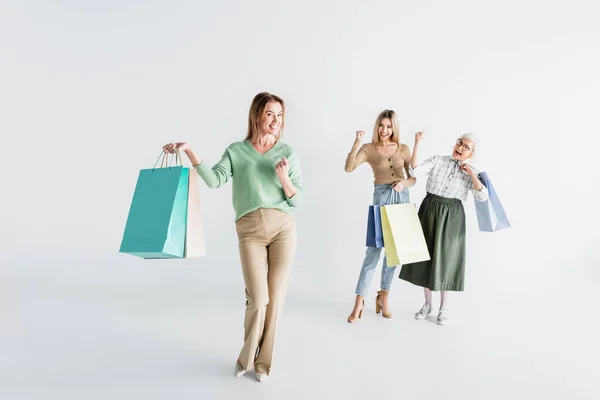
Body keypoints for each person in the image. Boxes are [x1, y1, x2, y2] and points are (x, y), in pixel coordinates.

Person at [162, 92, 304, 382]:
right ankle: (246, 357)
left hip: (283, 230)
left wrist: (284, 178)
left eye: (279, 115)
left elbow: (297, 200)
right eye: (270, 114)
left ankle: (263, 364)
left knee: (275, 298)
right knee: (258, 298)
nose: (276, 121)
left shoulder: (288, 152)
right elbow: (214, 179)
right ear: (256, 116)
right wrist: (189, 150)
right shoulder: (237, 151)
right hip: (250, 231)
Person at [399, 132, 488, 325]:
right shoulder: (438, 160)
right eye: (460, 143)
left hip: (452, 215)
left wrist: (471, 173)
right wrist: (417, 143)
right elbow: (414, 171)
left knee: (446, 260)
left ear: (471, 153)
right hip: (429, 209)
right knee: (425, 258)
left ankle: (443, 309)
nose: (461, 148)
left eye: (466, 147)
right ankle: (427, 304)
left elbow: (482, 197)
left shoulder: (472, 172)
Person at [344, 109, 418, 323]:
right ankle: (359, 300)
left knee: (394, 253)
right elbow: (349, 168)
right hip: (381, 197)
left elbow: (413, 177)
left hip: (401, 197)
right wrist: (356, 142)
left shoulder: (403, 148)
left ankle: (384, 296)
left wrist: (403, 183)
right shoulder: (369, 148)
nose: (385, 130)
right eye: (381, 126)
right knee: (373, 251)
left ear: (394, 128)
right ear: (377, 126)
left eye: (389, 126)